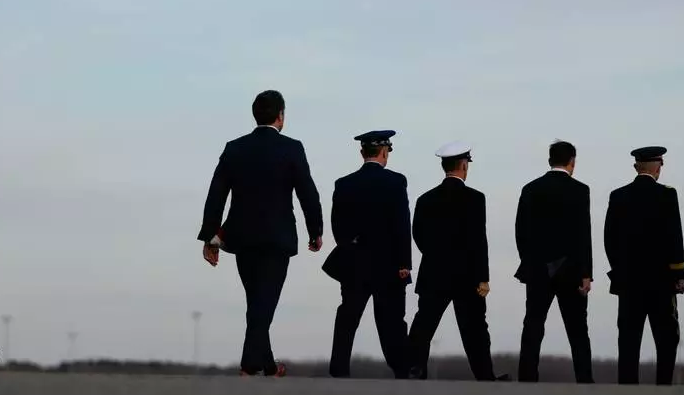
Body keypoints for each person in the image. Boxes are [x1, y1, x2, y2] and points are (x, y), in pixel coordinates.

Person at [197, 90, 323, 377]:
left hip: (242, 238)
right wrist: (315, 230)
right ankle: (249, 365)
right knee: (263, 302)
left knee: (257, 301)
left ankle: (267, 365)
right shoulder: (292, 148)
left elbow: (216, 195)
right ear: (280, 116)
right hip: (277, 239)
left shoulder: (234, 148)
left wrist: (210, 237)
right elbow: (307, 193)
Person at [406, 142, 506, 381]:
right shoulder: (475, 199)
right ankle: (484, 376)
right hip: (467, 276)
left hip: (434, 273)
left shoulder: (425, 199)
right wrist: (483, 277)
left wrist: (436, 256)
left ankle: (415, 370)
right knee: (475, 331)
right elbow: (479, 241)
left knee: (423, 326)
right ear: (463, 165)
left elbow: (417, 235)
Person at [324, 130, 412, 379]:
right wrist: (405, 262)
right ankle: (401, 369)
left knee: (348, 317)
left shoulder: (343, 184)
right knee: (391, 321)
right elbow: (401, 224)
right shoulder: (396, 182)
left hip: (354, 263)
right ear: (384, 152)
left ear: (362, 152)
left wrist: (350, 247)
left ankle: (339, 367)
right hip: (388, 264)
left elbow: (337, 225)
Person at [603, 146, 684, 385]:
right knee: (666, 339)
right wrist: (678, 274)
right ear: (658, 167)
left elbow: (610, 238)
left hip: (629, 282)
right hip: (661, 282)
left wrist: (619, 270)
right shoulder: (667, 195)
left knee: (629, 340)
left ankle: (628, 388)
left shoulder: (618, 195)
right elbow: (674, 237)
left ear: (636, 166)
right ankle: (664, 387)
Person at [514, 140, 594, 384]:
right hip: (571, 271)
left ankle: (527, 378)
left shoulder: (530, 189)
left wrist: (529, 261)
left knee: (533, 326)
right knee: (578, 331)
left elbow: (520, 231)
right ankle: (584, 380)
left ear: (550, 160)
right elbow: (583, 234)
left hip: (538, 270)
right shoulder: (580, 190)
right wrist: (586, 273)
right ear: (571, 162)